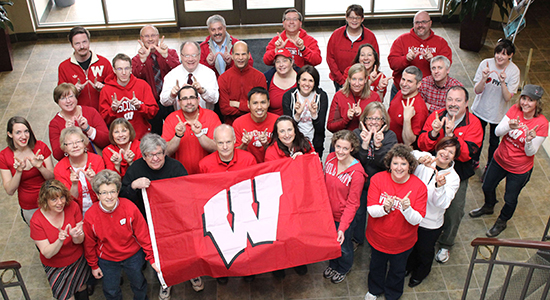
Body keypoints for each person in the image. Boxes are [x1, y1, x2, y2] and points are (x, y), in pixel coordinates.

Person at [119, 134, 200, 297]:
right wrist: (134, 185)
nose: (155, 158)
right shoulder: (135, 168)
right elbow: (122, 194)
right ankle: (166, 281)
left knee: (185, 249)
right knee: (160, 255)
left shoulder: (176, 167)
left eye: (158, 154)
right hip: (149, 222)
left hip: (176, 220)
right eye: (150, 155)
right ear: (143, 156)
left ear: (164, 153)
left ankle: (192, 274)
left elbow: (188, 193)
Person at [469, 85, 548, 237]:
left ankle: (502, 221)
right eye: (524, 98)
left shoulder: (542, 124)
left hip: (519, 169)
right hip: (500, 159)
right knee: (487, 186)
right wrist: (508, 127)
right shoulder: (514, 110)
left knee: (510, 198)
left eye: (530, 100)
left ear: (537, 103)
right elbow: (498, 132)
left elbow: (530, 152)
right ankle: (489, 206)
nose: (525, 103)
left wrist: (529, 140)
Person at [417, 86, 483, 264]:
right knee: (424, 201)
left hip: (458, 173)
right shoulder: (436, 116)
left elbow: (468, 154)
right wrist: (433, 133)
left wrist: (452, 135)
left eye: (458, 100)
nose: (453, 104)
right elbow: (422, 144)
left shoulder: (474, 124)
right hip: (432, 169)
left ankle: (446, 244)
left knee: (454, 211)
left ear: (466, 103)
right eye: (450, 100)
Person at [84, 169, 159, 300]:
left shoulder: (130, 208)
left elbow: (144, 235)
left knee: (139, 284)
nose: (109, 197)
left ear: (118, 191)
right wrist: (94, 266)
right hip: (107, 260)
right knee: (111, 289)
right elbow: (89, 243)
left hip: (133, 256)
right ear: (97, 194)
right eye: (104, 193)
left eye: (113, 191)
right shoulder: (90, 215)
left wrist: (152, 258)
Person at [364, 144, 427, 300]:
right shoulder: (378, 179)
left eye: (403, 163)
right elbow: (371, 210)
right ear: (389, 164)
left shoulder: (419, 187)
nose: (399, 168)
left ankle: (393, 294)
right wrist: (385, 208)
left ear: (410, 166)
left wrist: (407, 209)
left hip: (402, 242)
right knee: (376, 266)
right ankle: (374, 289)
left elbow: (417, 220)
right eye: (396, 163)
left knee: (398, 270)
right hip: (378, 238)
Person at [406, 137, 460, 287]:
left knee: (424, 250)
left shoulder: (453, 178)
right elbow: (411, 154)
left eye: (451, 152)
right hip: (411, 215)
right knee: (410, 245)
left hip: (430, 223)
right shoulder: (428, 159)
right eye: (444, 148)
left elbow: (442, 204)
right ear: (438, 148)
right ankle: (408, 266)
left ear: (454, 157)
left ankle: (421, 273)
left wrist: (439, 186)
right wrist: (420, 159)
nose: (446, 154)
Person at [30, 179, 89, 300]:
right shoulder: (37, 220)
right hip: (56, 267)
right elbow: (47, 253)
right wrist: (60, 240)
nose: (60, 203)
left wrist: (75, 235)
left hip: (77, 260)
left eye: (62, 197)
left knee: (81, 287)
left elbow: (80, 241)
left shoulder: (72, 206)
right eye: (53, 199)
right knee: (66, 297)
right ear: (45, 200)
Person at [351, 102, 397, 248]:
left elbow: (386, 164)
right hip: (361, 183)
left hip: (380, 185)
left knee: (379, 215)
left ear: (384, 121)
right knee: (359, 213)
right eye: (370, 118)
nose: (373, 122)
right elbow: (355, 163)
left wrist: (378, 147)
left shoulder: (390, 137)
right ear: (364, 120)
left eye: (378, 119)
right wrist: (364, 146)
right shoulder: (356, 134)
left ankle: (376, 241)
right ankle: (357, 239)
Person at [471, 39, 520, 176]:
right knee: (476, 138)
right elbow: (477, 90)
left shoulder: (514, 71)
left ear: (510, 55)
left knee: (494, 142)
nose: (499, 56)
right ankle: (474, 161)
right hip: (480, 109)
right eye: (498, 52)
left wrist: (503, 83)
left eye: (504, 54)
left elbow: (507, 97)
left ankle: (489, 167)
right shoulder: (485, 64)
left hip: (498, 114)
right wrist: (484, 78)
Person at [322, 130, 365, 284]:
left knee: (344, 246)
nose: (340, 151)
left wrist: (342, 227)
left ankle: (343, 267)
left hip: (343, 218)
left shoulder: (357, 173)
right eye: (338, 147)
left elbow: (353, 204)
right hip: (328, 214)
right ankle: (333, 264)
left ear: (352, 148)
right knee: (331, 244)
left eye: (345, 148)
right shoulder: (330, 158)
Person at [0, 117, 54, 224]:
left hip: (50, 199)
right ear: (10, 134)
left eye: (26, 131)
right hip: (29, 206)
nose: (23, 136)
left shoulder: (40, 147)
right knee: (40, 236)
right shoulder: (4, 156)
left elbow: (52, 178)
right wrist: (18, 172)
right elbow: (10, 190)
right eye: (18, 132)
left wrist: (40, 167)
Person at [388, 11, 452, 100]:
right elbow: (392, 64)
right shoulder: (401, 40)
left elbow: (447, 66)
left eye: (424, 22)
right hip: (402, 90)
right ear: (413, 24)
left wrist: (433, 60)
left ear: (430, 23)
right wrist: (406, 59)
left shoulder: (441, 43)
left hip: (430, 93)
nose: (420, 25)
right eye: (417, 22)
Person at [132, 25, 181, 135]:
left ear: (158, 37)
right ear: (141, 39)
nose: (150, 39)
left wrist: (166, 56)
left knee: (174, 130)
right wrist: (142, 61)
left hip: (171, 99)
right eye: (146, 36)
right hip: (151, 103)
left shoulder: (170, 52)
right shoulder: (136, 59)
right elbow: (135, 79)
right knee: (155, 133)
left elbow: (179, 71)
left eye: (153, 35)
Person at [99, 53, 159, 140]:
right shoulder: (106, 90)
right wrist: (113, 110)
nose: (124, 73)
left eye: (126, 68)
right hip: (119, 139)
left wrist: (140, 107)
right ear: (114, 70)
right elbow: (103, 120)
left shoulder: (142, 85)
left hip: (142, 138)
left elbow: (153, 112)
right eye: (120, 69)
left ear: (131, 68)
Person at [162, 86, 220, 174]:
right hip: (180, 175)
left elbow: (218, 148)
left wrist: (200, 134)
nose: (189, 102)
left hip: (208, 174)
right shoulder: (171, 119)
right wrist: (178, 135)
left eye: (192, 98)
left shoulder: (211, 116)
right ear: (179, 102)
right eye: (184, 99)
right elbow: (166, 152)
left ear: (198, 100)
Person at [49, 83, 110, 161]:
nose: (68, 101)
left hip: (96, 161)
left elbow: (106, 140)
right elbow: (57, 155)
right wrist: (66, 134)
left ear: (76, 97)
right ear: (57, 101)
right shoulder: (54, 124)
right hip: (72, 166)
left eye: (71, 96)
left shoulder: (91, 112)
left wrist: (88, 129)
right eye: (63, 98)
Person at [58, 26, 113, 111]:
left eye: (84, 42)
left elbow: (115, 89)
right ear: (71, 44)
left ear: (89, 42)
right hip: (78, 115)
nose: (82, 46)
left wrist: (104, 88)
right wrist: (72, 91)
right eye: (77, 43)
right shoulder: (64, 67)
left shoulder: (104, 62)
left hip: (103, 112)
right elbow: (60, 97)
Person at [53, 127, 105, 215]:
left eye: (78, 142)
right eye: (69, 143)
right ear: (64, 148)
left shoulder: (97, 160)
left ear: (84, 143)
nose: (75, 146)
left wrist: (93, 180)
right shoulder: (59, 168)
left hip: (100, 208)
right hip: (76, 213)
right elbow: (67, 201)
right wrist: (74, 184)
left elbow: (105, 192)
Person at [327, 4, 379, 91]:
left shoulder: (370, 37)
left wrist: (365, 80)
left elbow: (375, 59)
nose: (354, 20)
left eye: (357, 18)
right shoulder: (336, 35)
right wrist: (342, 81)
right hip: (340, 81)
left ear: (362, 19)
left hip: (362, 82)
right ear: (346, 18)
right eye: (351, 17)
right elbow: (330, 58)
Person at [282, 65, 328, 155]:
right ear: (298, 81)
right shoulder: (289, 96)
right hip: (294, 143)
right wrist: (297, 115)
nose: (306, 84)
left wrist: (314, 114)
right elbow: (287, 126)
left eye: (310, 80)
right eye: (304, 80)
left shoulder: (321, 96)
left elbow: (320, 128)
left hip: (315, 143)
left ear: (315, 82)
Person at [160, 41, 219, 111]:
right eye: (187, 56)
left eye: (194, 55)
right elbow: (163, 102)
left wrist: (203, 91)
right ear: (181, 56)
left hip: (205, 118)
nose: (190, 59)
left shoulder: (209, 73)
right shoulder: (172, 75)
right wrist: (172, 95)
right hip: (181, 118)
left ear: (199, 56)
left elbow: (215, 99)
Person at [218, 41, 267, 125]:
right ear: (232, 56)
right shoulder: (223, 78)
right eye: (237, 54)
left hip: (255, 124)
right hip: (231, 126)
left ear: (249, 55)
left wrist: (237, 104)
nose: (240, 58)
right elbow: (224, 109)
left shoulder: (259, 77)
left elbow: (261, 107)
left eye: (243, 54)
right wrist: (249, 107)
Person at [327, 63, 381, 133]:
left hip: (367, 138)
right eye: (354, 79)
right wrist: (346, 119)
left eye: (360, 79)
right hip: (345, 139)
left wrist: (362, 116)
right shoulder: (339, 96)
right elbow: (330, 127)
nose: (357, 83)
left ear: (365, 80)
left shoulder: (374, 97)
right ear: (349, 80)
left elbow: (380, 124)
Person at [234, 87, 279, 163]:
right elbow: (234, 155)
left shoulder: (277, 122)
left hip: (271, 166)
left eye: (263, 102)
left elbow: (282, 153)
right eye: (255, 103)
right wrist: (244, 144)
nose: (259, 107)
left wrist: (266, 145)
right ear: (248, 104)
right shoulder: (238, 123)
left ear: (268, 103)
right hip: (247, 167)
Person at [387, 66, 429, 145]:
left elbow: (409, 142)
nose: (404, 84)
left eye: (409, 81)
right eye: (403, 79)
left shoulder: (419, 108)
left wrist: (407, 120)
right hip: (388, 144)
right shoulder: (400, 93)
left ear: (418, 84)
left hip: (400, 151)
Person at [264, 49, 298, 115]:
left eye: (284, 61)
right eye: (278, 62)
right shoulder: (267, 78)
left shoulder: (302, 78)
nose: (281, 65)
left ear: (291, 62)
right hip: (274, 121)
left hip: (297, 122)